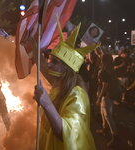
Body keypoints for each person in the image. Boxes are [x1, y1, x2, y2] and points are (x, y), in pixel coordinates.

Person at [31, 21, 99, 150]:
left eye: (54, 61)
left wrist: (46, 103)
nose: (49, 64)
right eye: (50, 59)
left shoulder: (77, 94)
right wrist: (32, 42)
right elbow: (44, 67)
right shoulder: (61, 85)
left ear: (66, 69)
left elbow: (66, 134)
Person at [96, 54, 118, 147]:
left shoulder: (104, 71)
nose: (100, 58)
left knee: (107, 115)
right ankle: (104, 130)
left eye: (101, 57)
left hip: (106, 96)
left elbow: (105, 86)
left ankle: (115, 135)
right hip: (110, 95)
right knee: (103, 113)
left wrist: (99, 97)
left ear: (104, 60)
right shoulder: (111, 69)